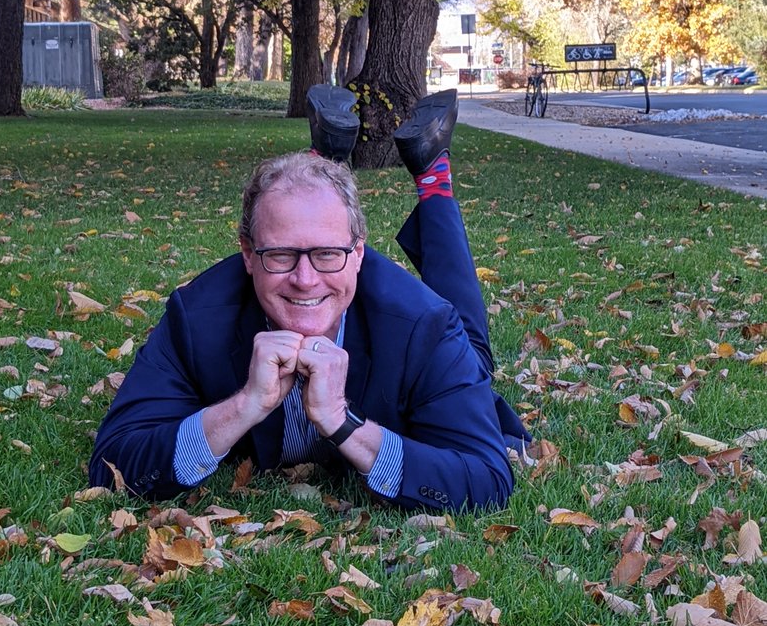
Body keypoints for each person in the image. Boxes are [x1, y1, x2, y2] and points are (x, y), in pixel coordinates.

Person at [88, 88, 528, 511]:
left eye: (328, 254)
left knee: (473, 354)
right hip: (352, 277)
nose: (304, 279)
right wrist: (243, 406)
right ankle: (322, 174)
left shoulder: (424, 325)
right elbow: (112, 465)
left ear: (358, 254)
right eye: (279, 254)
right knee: (315, 230)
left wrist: (342, 421)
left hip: (405, 309)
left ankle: (430, 172)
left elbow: (484, 478)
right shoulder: (197, 317)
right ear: (247, 253)